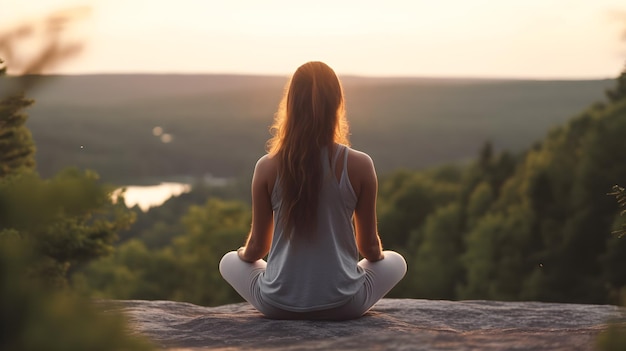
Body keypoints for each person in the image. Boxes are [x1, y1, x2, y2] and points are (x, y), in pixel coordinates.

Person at [219, 61, 406, 320]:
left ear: (291, 105)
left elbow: (256, 250)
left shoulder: (267, 166)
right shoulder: (361, 164)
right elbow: (371, 249)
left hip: (277, 306)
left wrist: (243, 255)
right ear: (337, 105)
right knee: (396, 261)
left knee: (228, 260)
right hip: (344, 306)